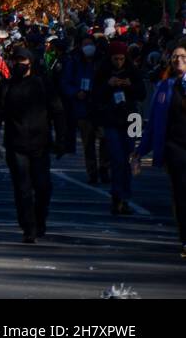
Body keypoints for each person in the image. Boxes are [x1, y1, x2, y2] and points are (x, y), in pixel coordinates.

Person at [0, 47, 67, 243]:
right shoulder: (6, 86)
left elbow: (57, 111)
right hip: (16, 144)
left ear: (30, 63)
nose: (19, 65)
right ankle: (28, 226)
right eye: (16, 61)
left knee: (43, 186)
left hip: (40, 144)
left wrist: (61, 139)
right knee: (22, 188)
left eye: (23, 61)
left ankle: (40, 220)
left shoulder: (42, 84)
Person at [134, 44, 186, 256]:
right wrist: (139, 153)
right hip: (175, 147)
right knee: (181, 193)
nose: (178, 60)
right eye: (175, 57)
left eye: (183, 56)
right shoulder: (164, 87)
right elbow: (154, 123)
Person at [91, 41, 144, 215]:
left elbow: (142, 93)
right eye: (116, 59)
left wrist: (130, 85)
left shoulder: (133, 70)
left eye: (122, 59)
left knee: (130, 158)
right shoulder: (102, 71)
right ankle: (117, 196)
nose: (119, 62)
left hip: (132, 118)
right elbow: (95, 95)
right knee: (117, 159)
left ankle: (125, 197)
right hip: (111, 119)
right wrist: (109, 84)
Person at [62, 34, 108, 184]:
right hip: (82, 108)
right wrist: (76, 93)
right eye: (85, 44)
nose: (88, 47)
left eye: (91, 44)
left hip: (100, 107)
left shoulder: (102, 60)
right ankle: (92, 172)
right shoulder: (74, 61)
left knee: (104, 139)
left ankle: (104, 168)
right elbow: (66, 83)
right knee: (88, 143)